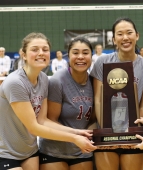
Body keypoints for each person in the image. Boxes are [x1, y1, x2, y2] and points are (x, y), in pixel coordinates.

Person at [0, 32, 96, 170]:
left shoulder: (44, 79)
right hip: (6, 153)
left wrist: (77, 132)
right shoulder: (15, 83)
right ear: (24, 55)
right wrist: (74, 138)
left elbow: (43, 120)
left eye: (45, 50)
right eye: (34, 49)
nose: (41, 53)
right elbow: (34, 127)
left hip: (30, 151)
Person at [90, 17, 143, 170]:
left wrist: (129, 132)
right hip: (107, 134)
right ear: (114, 39)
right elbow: (98, 100)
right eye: (120, 34)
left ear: (137, 35)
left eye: (129, 33)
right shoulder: (102, 62)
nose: (125, 37)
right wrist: (108, 131)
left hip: (133, 134)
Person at [39, 37, 96, 170]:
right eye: (75, 53)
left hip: (82, 150)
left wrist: (88, 135)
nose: (80, 57)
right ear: (68, 56)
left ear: (91, 56)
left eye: (85, 53)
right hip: (54, 150)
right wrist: (76, 137)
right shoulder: (57, 81)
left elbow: (94, 119)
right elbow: (51, 121)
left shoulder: (95, 82)